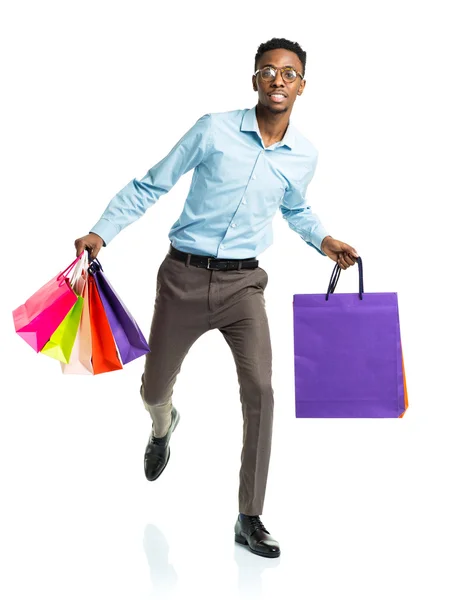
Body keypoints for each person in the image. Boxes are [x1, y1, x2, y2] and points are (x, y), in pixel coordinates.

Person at [75, 37, 358, 559]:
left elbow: (295, 209)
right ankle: (164, 424)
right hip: (182, 278)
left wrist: (325, 240)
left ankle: (249, 516)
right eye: (268, 71)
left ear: (302, 86)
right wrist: (101, 231)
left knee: (262, 391)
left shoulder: (304, 155)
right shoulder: (214, 129)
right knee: (153, 388)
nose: (278, 79)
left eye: (289, 73)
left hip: (244, 287)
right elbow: (149, 185)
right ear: (254, 79)